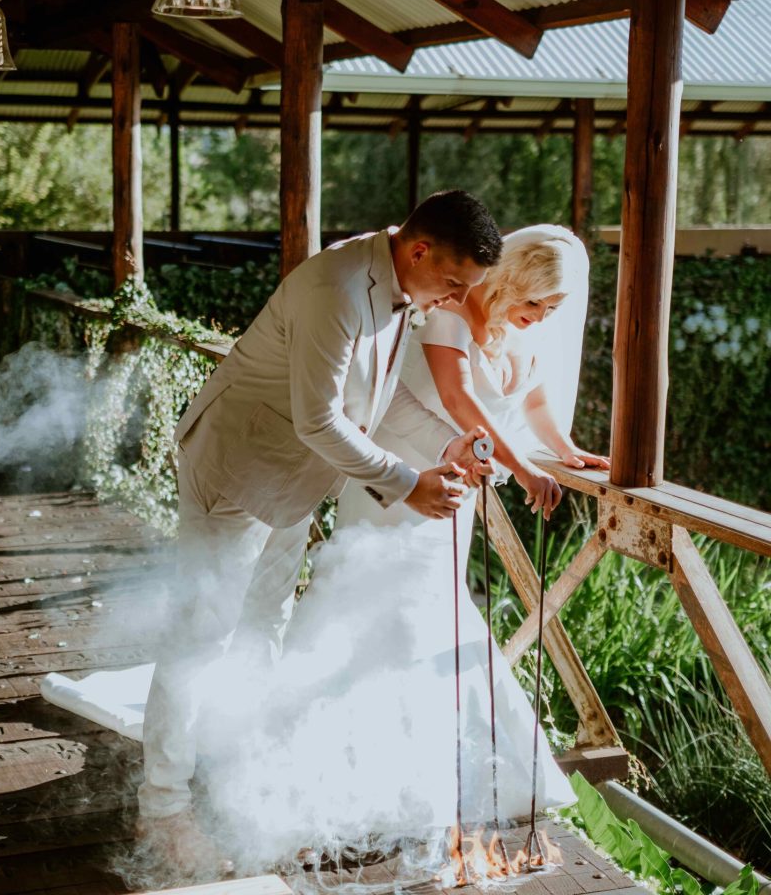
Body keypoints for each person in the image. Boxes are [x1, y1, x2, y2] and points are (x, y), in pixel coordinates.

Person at [195, 225, 609, 872]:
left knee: (436, 616)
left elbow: (527, 399)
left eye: (552, 312)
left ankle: (435, 776)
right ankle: (325, 771)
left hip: (456, 486)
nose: (541, 320)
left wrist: (563, 449)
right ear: (514, 283)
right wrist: (524, 471)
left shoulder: (516, 333)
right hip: (404, 476)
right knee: (374, 611)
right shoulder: (449, 318)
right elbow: (459, 399)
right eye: (537, 305)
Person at [135, 190, 503, 877]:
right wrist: (407, 482)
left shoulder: (399, 286)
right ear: (420, 250)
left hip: (294, 483)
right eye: (454, 285)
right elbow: (320, 420)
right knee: (200, 638)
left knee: (263, 633)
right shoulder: (336, 287)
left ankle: (242, 792)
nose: (456, 301)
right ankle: (162, 812)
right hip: (237, 468)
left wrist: (450, 442)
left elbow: (382, 395)